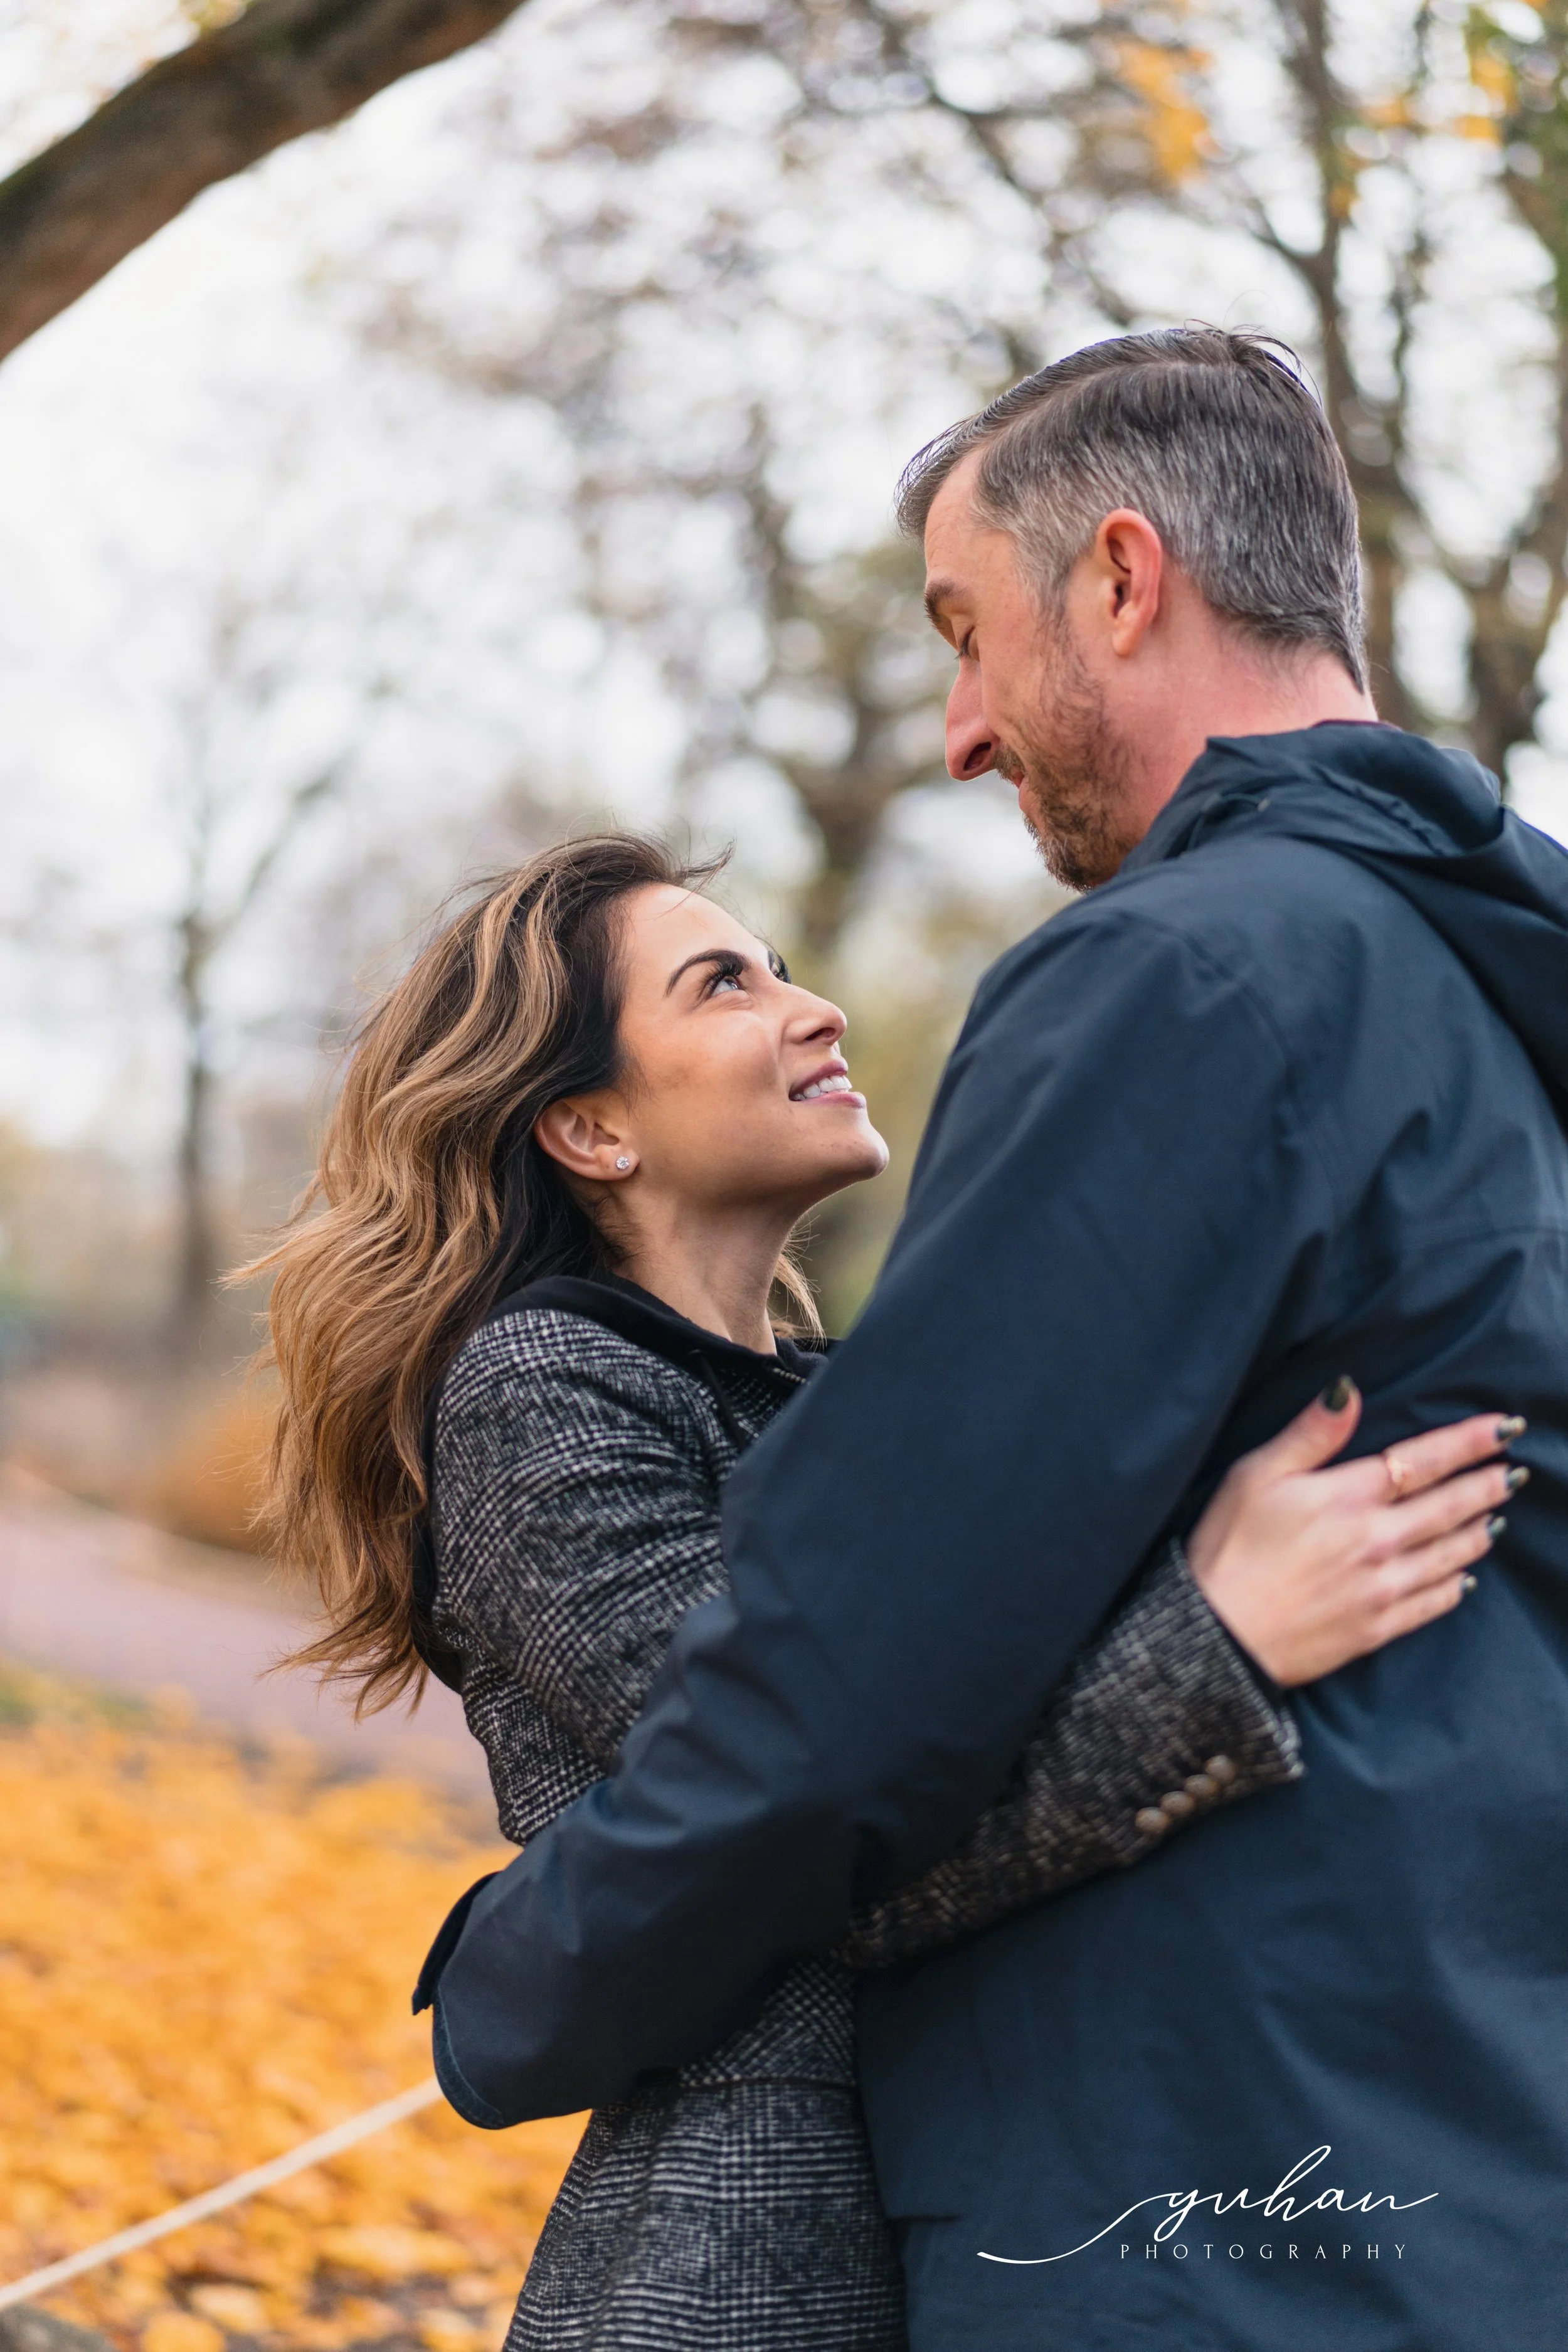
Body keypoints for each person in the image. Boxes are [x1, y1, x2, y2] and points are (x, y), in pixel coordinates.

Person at [421, 327, 1568, 2352]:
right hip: (1474, 2145)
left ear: (1123, 580)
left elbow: (843, 1687)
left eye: (969, 631)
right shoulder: (1496, 996)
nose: (958, 728)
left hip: (1199, 2185)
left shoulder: (1185, 979)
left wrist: (521, 1988)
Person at [256, 834, 1504, 2352]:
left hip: (1007, 2165)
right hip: (760, 2228)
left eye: (780, 964)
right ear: (588, 1126)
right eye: (722, 984)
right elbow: (799, 1823)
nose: (816, 1007)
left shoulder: (840, 1404)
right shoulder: (541, 1389)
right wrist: (1215, 1643)